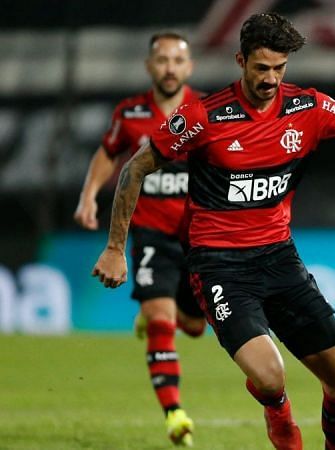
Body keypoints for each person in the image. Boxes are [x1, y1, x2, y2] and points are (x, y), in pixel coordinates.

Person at [91, 12, 335, 450]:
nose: (270, 78)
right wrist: (116, 246)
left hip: (280, 258)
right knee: (270, 376)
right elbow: (136, 168)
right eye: (261, 68)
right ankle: (277, 411)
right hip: (219, 267)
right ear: (240, 60)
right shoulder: (203, 117)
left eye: (279, 68)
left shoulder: (310, 107)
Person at [73, 32, 205, 447]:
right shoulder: (129, 113)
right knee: (162, 321)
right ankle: (174, 414)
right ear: (149, 66)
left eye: (176, 61)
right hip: (150, 235)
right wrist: (89, 195)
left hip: (198, 236)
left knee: (195, 326)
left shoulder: (205, 111)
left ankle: (156, 317)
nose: (169, 67)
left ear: (189, 67)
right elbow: (109, 152)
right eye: (161, 60)